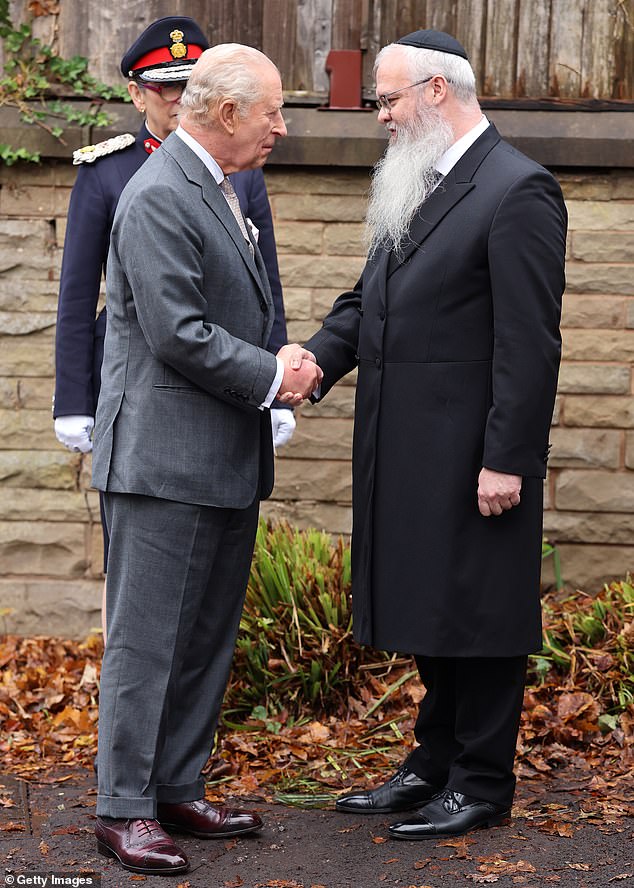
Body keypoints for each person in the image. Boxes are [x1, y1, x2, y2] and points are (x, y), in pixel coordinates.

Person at [296, 29, 567, 840]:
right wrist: (312, 360)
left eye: (388, 98)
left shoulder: (518, 189)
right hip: (407, 449)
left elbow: (531, 342)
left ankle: (482, 779)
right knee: (432, 608)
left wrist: (507, 459)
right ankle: (433, 761)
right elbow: (366, 298)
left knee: (479, 613)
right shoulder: (416, 179)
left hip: (474, 454)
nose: (380, 115)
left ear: (438, 92)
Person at [90, 44, 321, 876]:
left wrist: (279, 365)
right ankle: (123, 808)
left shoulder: (218, 185)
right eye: (271, 114)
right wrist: (274, 375)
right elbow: (178, 333)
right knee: (149, 644)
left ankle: (173, 787)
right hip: (161, 463)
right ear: (225, 115)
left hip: (217, 456)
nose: (282, 129)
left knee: (202, 640)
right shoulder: (159, 194)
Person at [53, 17, 295, 625]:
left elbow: (263, 283)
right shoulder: (111, 170)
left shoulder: (241, 172)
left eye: (191, 82)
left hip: (225, 396)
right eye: (166, 86)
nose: (179, 95)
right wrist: (73, 400)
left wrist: (276, 382)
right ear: (137, 94)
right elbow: (80, 297)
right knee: (144, 609)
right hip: (139, 393)